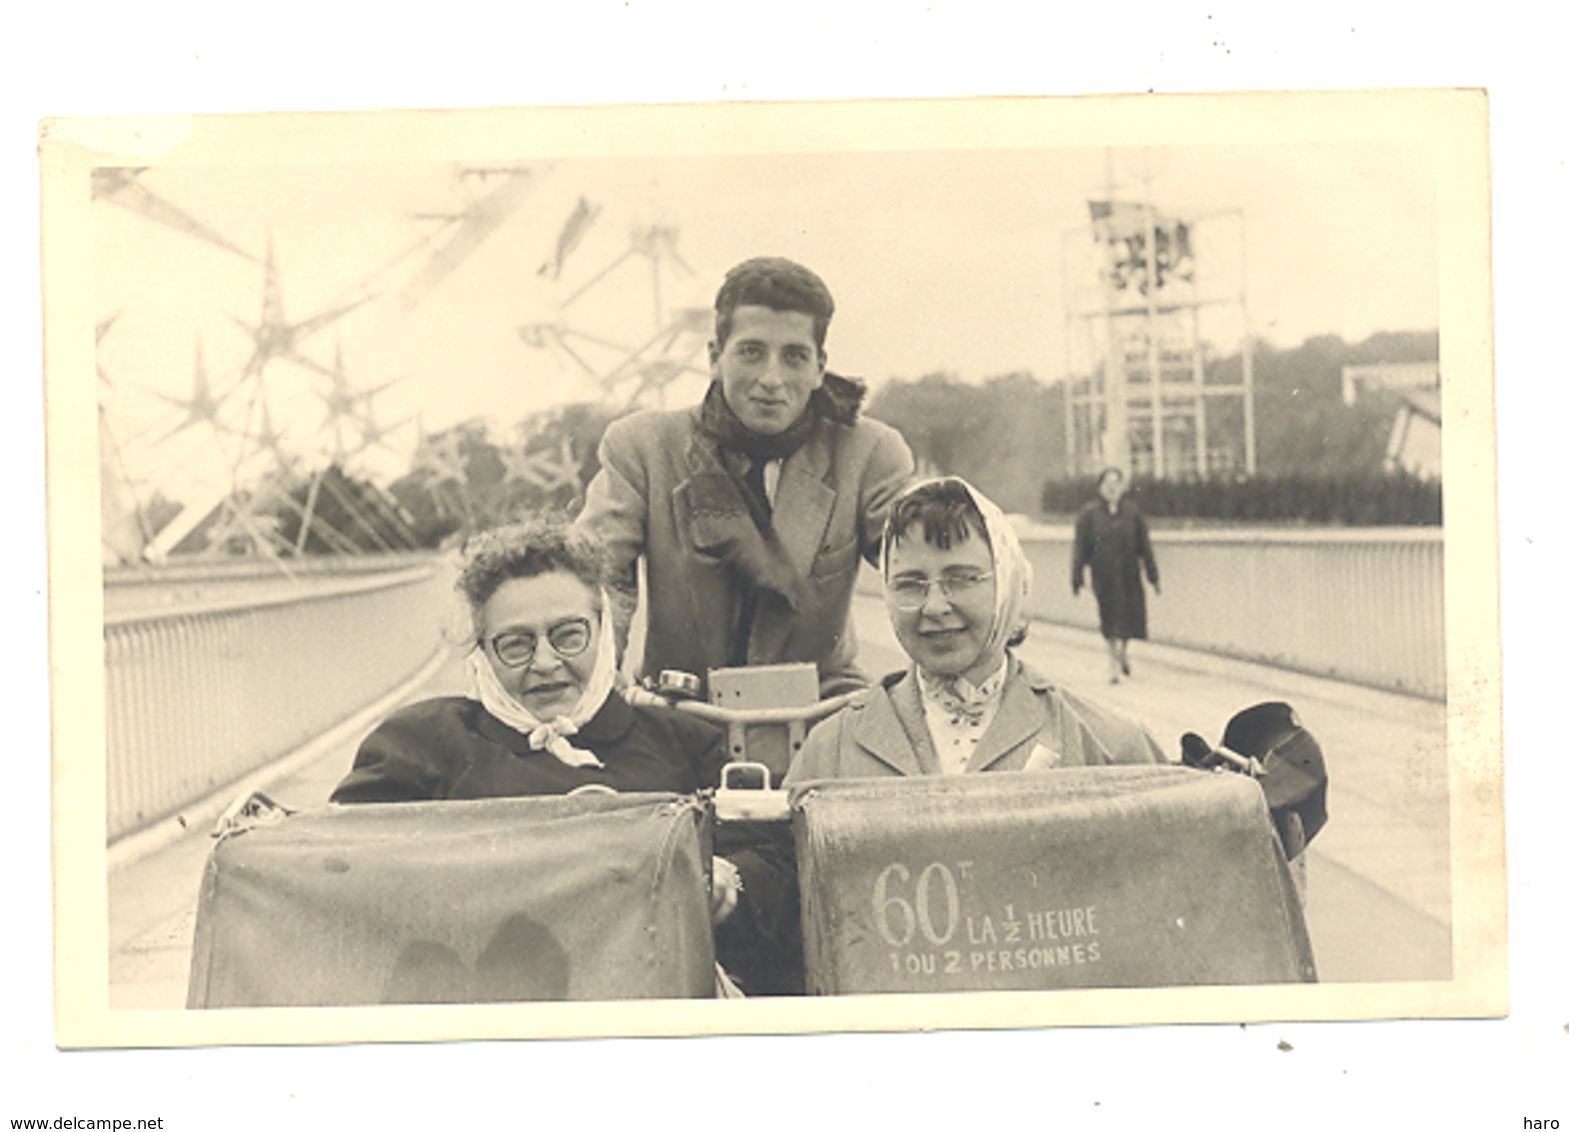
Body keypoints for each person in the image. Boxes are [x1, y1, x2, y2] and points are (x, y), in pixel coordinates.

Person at [330, 518, 790, 994]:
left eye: (568, 635)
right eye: (516, 644)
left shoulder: (684, 741)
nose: (545, 663)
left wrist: (727, 882)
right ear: (481, 652)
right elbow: (341, 868)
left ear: (603, 629)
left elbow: (774, 862)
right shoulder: (419, 745)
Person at [577, 256, 915, 699]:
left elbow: (925, 566)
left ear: (819, 367)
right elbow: (596, 586)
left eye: (794, 357)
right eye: (752, 352)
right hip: (680, 715)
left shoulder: (869, 451)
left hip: (824, 715)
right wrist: (595, 691)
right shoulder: (641, 447)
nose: (772, 379)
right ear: (715, 358)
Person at [789, 476, 1165, 782]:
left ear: (1008, 586)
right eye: (909, 584)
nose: (935, 607)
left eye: (962, 579)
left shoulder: (1109, 748)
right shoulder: (830, 753)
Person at [1071, 466, 1159, 684]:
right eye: (1108, 484)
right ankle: (1113, 662)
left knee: (1130, 618)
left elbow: (1145, 547)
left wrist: (1153, 576)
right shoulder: (1089, 515)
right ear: (1100, 488)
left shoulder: (1132, 513)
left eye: (1116, 484)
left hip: (1129, 575)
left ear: (1123, 487)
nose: (1112, 489)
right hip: (1104, 577)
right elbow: (1080, 548)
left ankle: (1122, 653)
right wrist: (1077, 577)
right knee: (1109, 619)